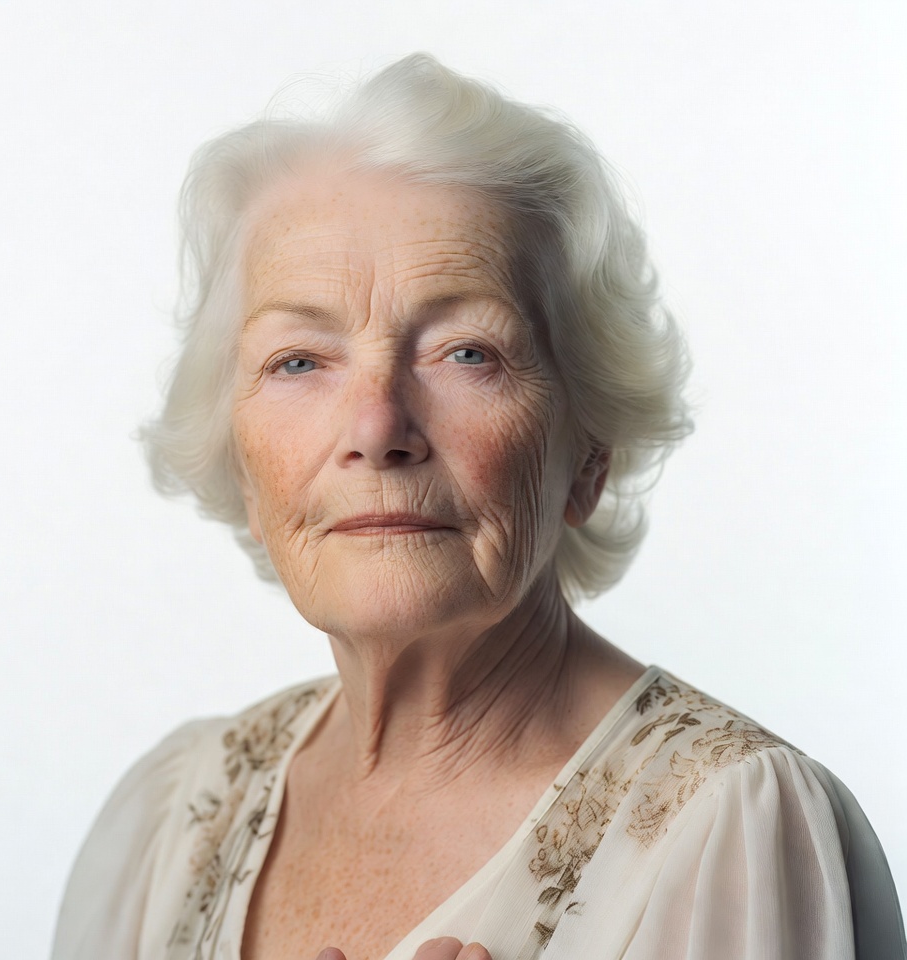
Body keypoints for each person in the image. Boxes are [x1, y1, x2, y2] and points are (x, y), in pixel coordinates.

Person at [51, 54, 905, 960]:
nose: (378, 427)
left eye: (467, 353)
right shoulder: (175, 820)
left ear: (588, 451)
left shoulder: (731, 830)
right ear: (240, 464)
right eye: (299, 360)